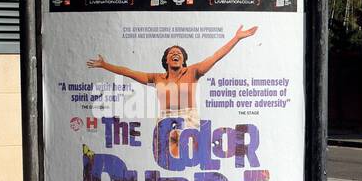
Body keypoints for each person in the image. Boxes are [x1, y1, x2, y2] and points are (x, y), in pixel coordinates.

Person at [86, 26, 257, 130]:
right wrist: (104, 65)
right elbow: (128, 71)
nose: (175, 54)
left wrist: (237, 38)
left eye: (179, 53)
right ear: (166, 60)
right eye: (171, 53)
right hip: (165, 119)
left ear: (183, 59)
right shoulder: (157, 78)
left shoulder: (193, 71)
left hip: (189, 118)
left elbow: (216, 55)